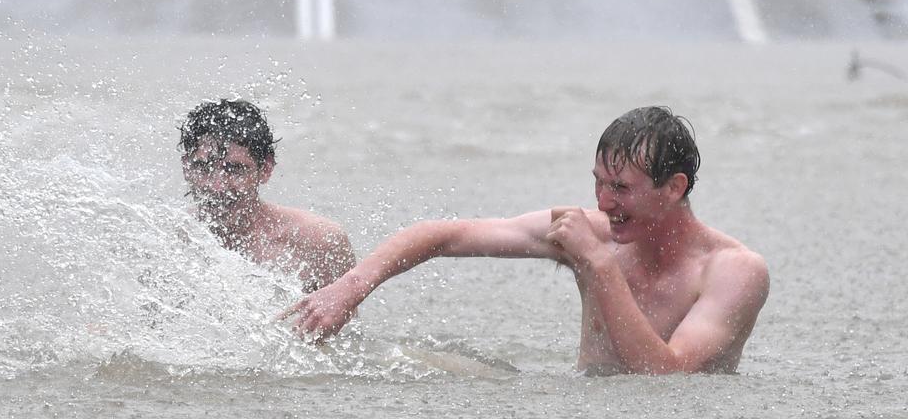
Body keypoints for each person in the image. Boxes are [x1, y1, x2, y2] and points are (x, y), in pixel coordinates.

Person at [285, 106, 769, 374]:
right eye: (598, 182)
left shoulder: (735, 271)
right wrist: (349, 288)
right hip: (586, 400)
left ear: (674, 187)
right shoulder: (593, 233)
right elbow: (446, 235)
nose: (601, 202)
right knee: (412, 369)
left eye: (620, 188)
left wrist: (599, 265)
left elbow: (666, 378)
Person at [180, 99, 356, 292]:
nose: (218, 186)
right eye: (203, 167)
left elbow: (346, 322)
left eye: (235, 169)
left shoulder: (319, 242)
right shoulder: (169, 241)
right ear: (186, 167)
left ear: (265, 169)